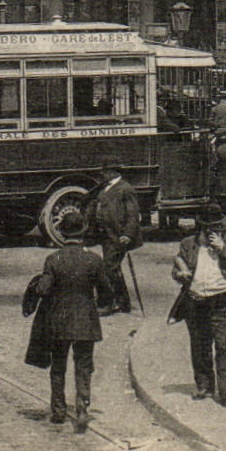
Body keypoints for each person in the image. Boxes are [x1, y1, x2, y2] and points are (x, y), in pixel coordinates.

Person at [170, 203, 226, 407]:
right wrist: (180, 275)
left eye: (217, 228)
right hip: (196, 300)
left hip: (223, 300)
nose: (213, 232)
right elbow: (177, 267)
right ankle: (204, 385)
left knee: (224, 346)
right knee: (199, 346)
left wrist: (223, 249)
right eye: (209, 229)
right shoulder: (189, 244)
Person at [36, 209, 109, 430]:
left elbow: (44, 289)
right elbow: (106, 291)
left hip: (59, 322)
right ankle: (82, 406)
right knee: (84, 366)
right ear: (83, 232)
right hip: (86, 321)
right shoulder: (94, 260)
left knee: (58, 367)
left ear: (63, 232)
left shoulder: (53, 259)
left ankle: (58, 410)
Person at [90, 166, 142, 316]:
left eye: (105, 172)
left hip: (119, 236)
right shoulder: (105, 187)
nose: (102, 174)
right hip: (107, 235)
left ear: (114, 172)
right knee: (113, 268)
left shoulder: (125, 189)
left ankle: (109, 303)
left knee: (109, 268)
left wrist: (128, 234)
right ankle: (123, 302)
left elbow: (133, 214)